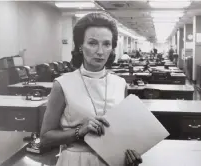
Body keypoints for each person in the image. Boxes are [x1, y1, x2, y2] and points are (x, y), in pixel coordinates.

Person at [40, 13, 142, 166]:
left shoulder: (120, 84)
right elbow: (46, 138)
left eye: (106, 44)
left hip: (113, 160)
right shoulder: (62, 84)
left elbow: (123, 131)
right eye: (93, 43)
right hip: (77, 160)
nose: (100, 51)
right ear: (80, 46)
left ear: (112, 48)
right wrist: (79, 131)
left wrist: (130, 151)